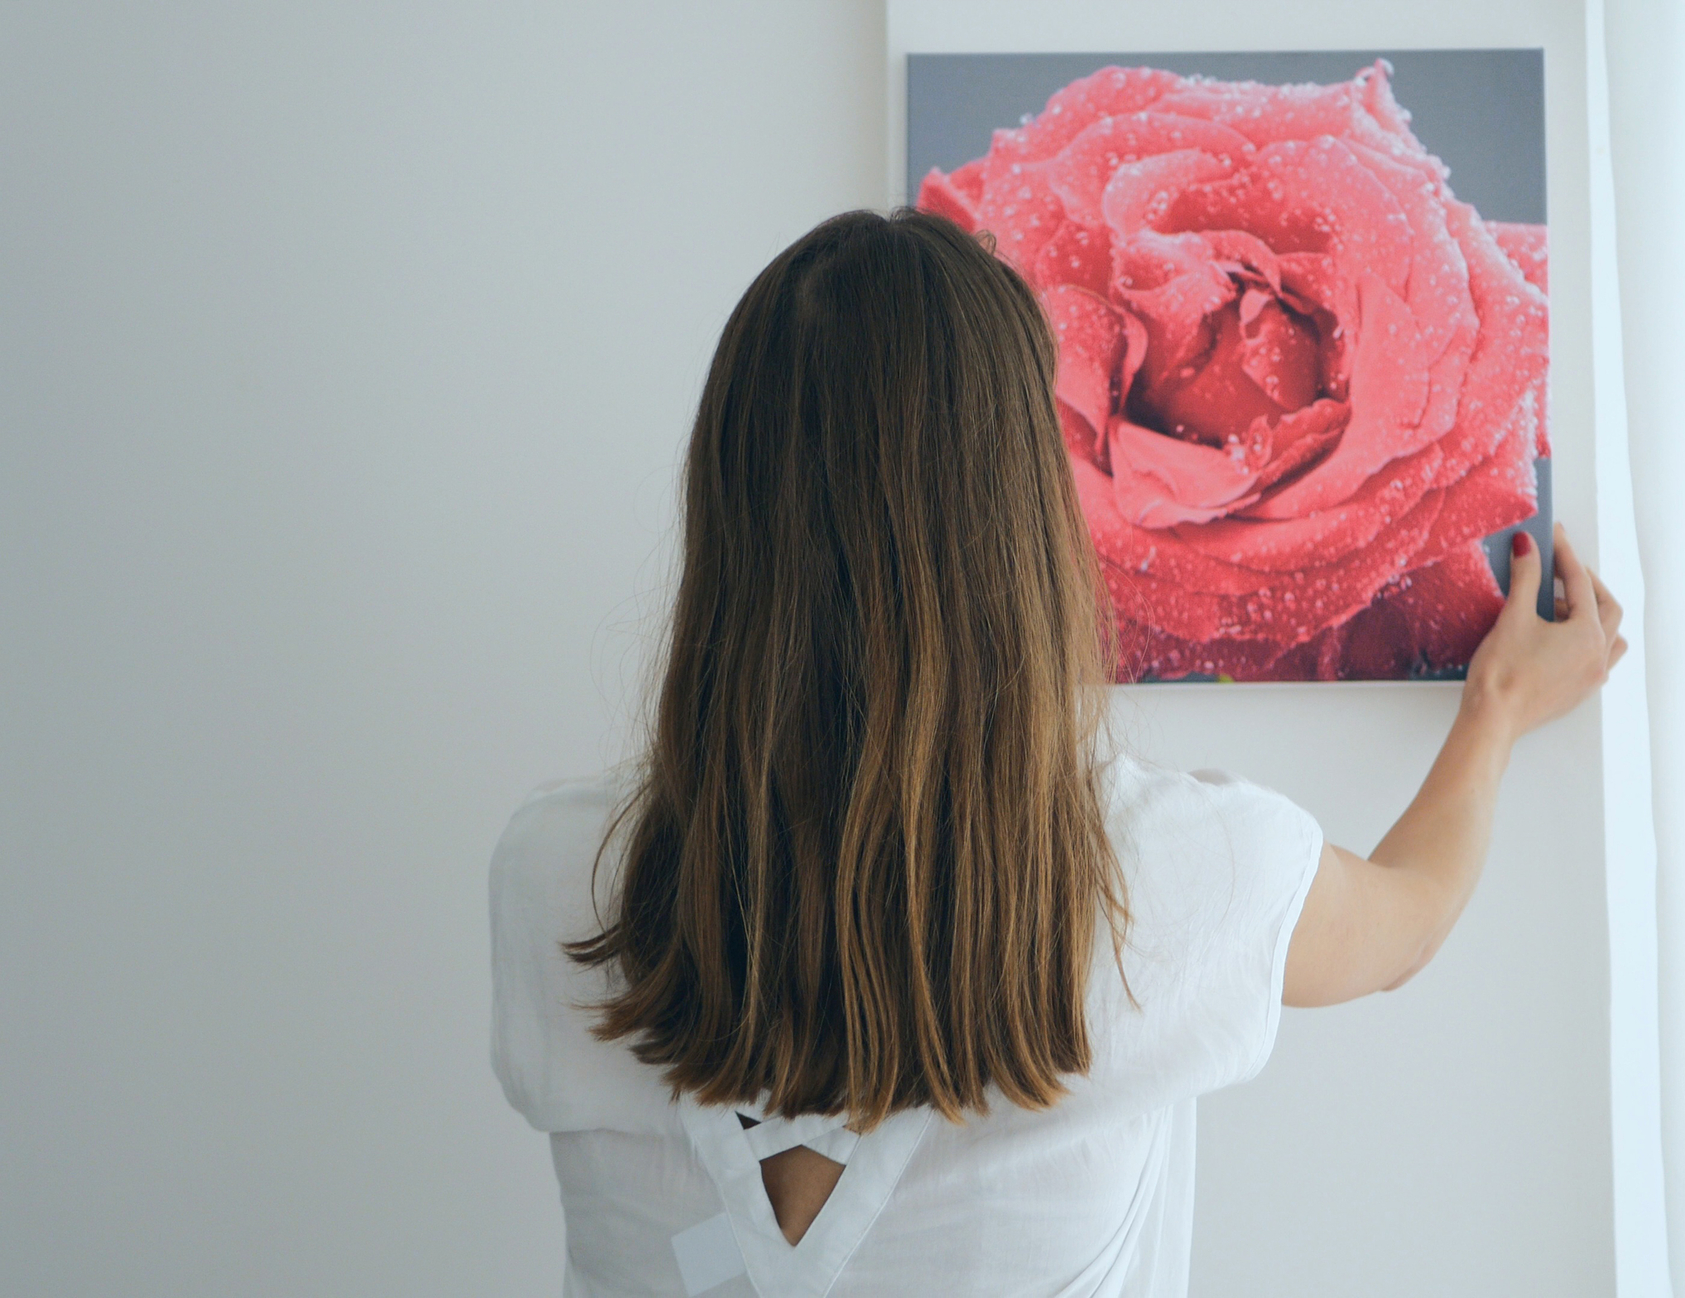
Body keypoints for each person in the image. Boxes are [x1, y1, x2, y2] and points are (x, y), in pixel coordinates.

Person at [490, 208, 1625, 1298]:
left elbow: (730, 1236)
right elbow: (1405, 918)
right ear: (1020, 515)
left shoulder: (555, 875)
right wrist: (1498, 708)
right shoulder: (1165, 876)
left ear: (729, 503)